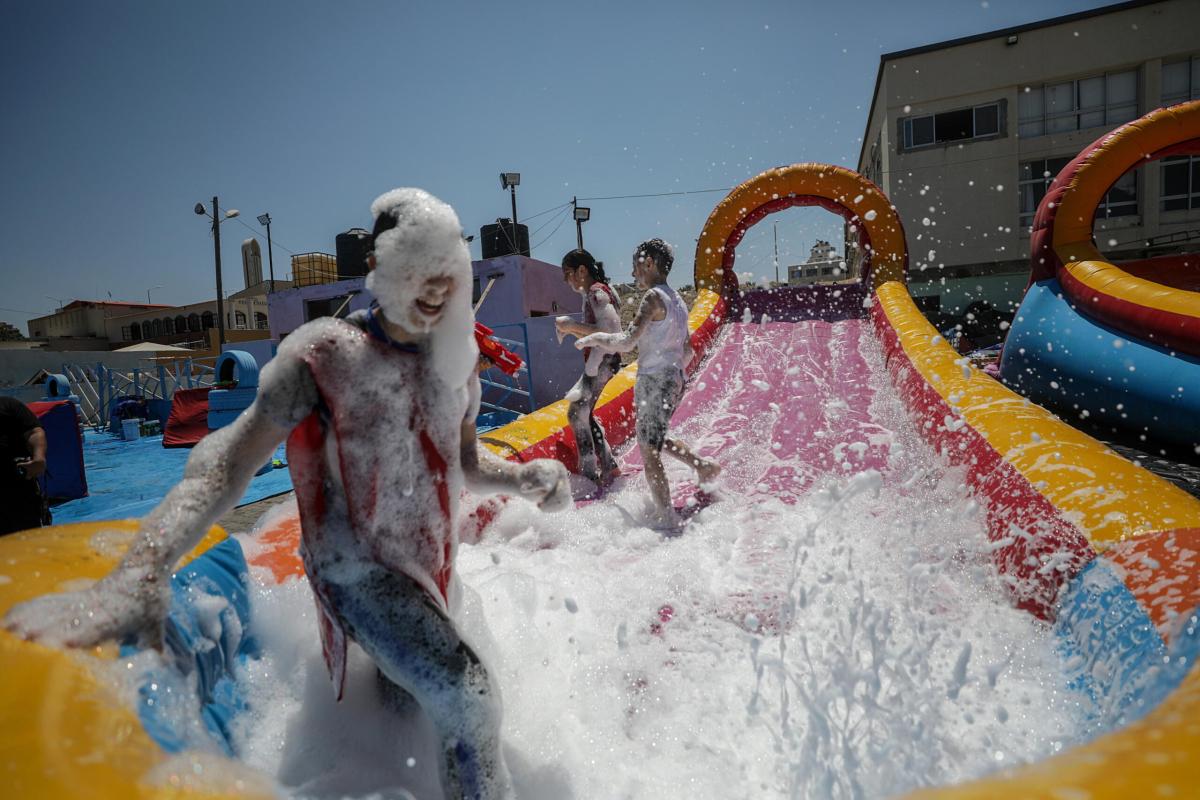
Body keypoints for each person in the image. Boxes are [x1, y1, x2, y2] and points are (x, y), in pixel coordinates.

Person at [4, 188, 570, 800]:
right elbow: (225, 464)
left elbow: (461, 461)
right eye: (416, 272)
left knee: (406, 700)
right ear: (379, 272)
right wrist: (138, 574)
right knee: (469, 696)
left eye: (446, 275)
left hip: (424, 565)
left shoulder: (454, 359)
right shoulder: (328, 357)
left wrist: (519, 480)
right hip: (355, 568)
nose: (434, 291)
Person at [576, 239, 719, 528]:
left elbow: (627, 341)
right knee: (656, 436)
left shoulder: (653, 297)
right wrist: (671, 367)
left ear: (649, 263)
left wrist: (593, 339)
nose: (632, 274)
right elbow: (688, 348)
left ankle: (666, 517)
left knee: (648, 448)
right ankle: (703, 467)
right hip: (672, 378)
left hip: (656, 380)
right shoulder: (676, 299)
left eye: (635, 266)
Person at [554, 249, 623, 489]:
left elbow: (611, 331)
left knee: (576, 414)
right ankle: (609, 466)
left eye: (568, 274)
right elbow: (601, 329)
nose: (566, 280)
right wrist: (571, 329)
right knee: (584, 413)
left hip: (603, 361)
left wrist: (571, 325)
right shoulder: (601, 290)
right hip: (603, 360)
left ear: (582, 270)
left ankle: (590, 473)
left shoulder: (596, 293)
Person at [0, 396, 48, 535]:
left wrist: (39, 458)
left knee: (28, 542)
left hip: (17, 490)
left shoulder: (8, 405)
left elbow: (34, 431)